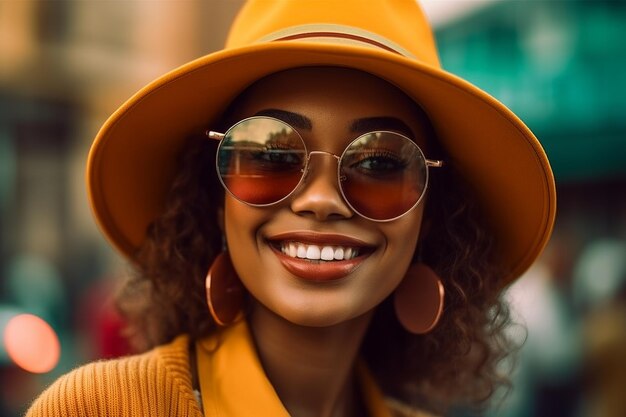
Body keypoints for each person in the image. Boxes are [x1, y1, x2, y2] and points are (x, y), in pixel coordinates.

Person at [26, 1, 556, 416]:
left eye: (379, 165)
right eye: (270, 156)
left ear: (431, 214)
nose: (321, 200)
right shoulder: (99, 410)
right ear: (213, 198)